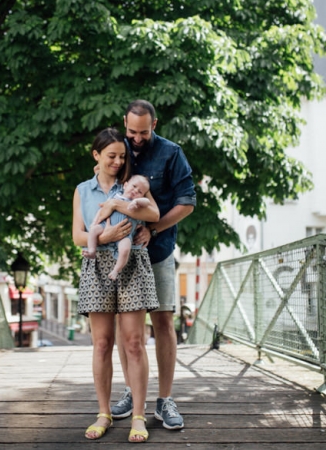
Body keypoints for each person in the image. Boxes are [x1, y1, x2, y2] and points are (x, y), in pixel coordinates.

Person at [96, 100, 196, 430]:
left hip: (159, 251)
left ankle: (165, 400)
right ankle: (130, 391)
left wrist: (153, 229)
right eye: (131, 131)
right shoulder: (117, 148)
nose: (136, 139)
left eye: (143, 131)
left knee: (164, 323)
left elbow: (187, 203)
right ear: (124, 123)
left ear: (155, 123)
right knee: (130, 332)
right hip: (120, 255)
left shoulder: (171, 152)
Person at [72, 127, 161, 443]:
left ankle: (138, 415)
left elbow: (153, 212)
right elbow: (78, 236)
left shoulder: (132, 185)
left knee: (135, 341)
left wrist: (116, 206)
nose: (117, 161)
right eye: (111, 156)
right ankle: (104, 413)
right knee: (101, 343)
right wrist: (105, 236)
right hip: (97, 265)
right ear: (96, 155)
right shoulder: (82, 190)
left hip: (133, 262)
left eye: (121, 156)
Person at [83, 174, 151, 280]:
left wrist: (137, 201)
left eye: (140, 192)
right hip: (106, 226)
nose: (135, 191)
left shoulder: (138, 205)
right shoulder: (115, 196)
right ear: (125, 185)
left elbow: (147, 202)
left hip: (125, 234)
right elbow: (102, 209)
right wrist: (95, 222)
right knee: (93, 230)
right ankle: (92, 250)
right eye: (134, 186)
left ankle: (116, 270)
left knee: (125, 250)